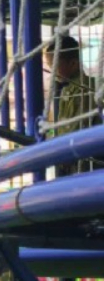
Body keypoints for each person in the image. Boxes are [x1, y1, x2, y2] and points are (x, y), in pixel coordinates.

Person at [44, 35, 102, 176]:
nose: (51, 71)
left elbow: (77, 126)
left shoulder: (84, 88)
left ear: (73, 64)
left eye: (55, 66)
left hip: (85, 161)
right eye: (50, 66)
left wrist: (61, 152)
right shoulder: (67, 89)